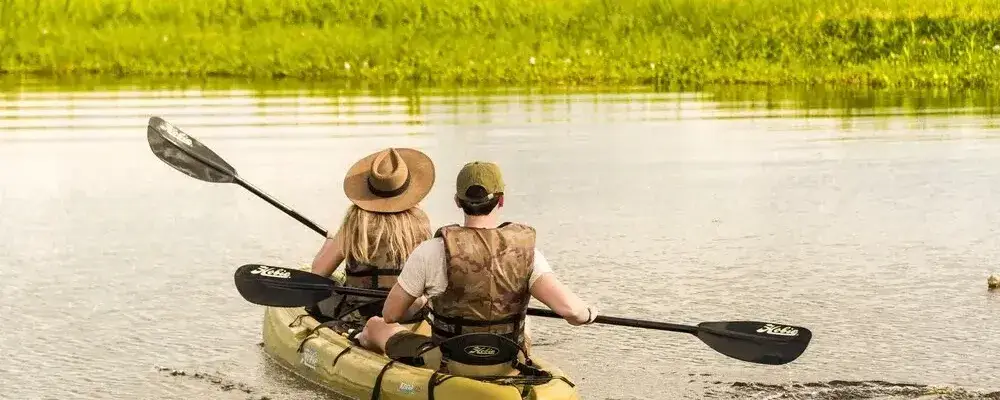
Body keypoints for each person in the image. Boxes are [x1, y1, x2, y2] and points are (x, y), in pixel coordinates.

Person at [358, 161, 597, 375]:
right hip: (508, 360)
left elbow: (391, 315)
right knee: (527, 324)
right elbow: (572, 312)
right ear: (501, 200)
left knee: (376, 326)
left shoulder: (431, 251)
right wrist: (588, 314)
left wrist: (426, 299)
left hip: (448, 361)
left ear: (457, 201)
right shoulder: (528, 254)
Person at [305, 147, 436, 333]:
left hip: (362, 312)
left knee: (322, 289)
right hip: (408, 311)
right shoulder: (420, 223)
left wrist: (330, 241)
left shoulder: (356, 222)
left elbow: (318, 273)